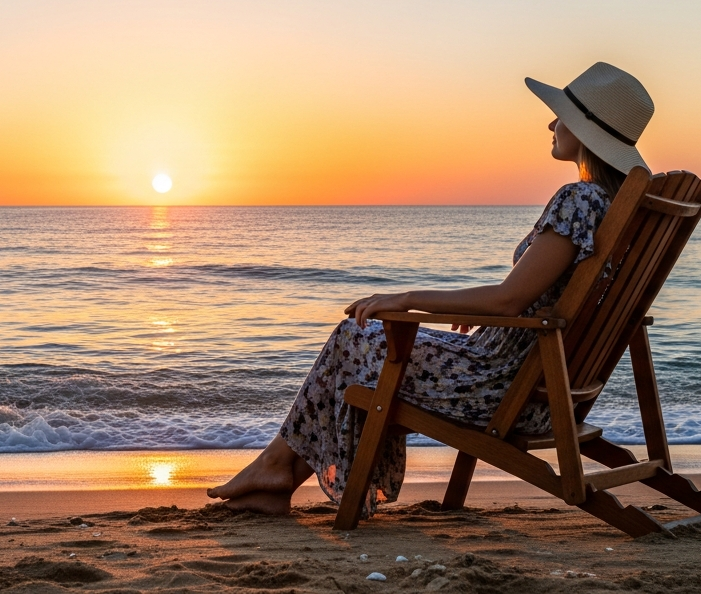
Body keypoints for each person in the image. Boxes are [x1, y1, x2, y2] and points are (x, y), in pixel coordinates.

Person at [207, 62, 657, 516]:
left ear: (584, 130)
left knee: (355, 337)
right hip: (542, 388)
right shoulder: (617, 213)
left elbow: (509, 299)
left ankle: (274, 468)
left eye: (561, 115)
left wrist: (407, 299)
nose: (551, 123)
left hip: (501, 390)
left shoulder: (579, 200)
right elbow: (531, 296)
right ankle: (275, 474)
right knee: (365, 344)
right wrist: (490, 314)